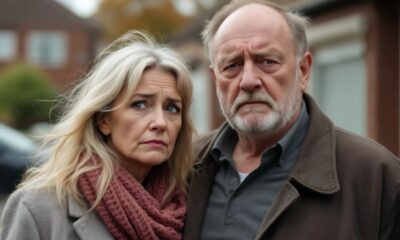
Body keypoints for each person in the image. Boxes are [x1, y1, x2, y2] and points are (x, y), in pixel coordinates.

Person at [183, 0, 400, 239]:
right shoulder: (182, 168)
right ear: (215, 79)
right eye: (232, 65)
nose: (248, 81)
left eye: (268, 62)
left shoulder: (375, 177)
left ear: (303, 71)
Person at [0, 30, 194, 240]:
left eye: (172, 108)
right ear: (103, 120)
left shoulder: (187, 207)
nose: (160, 122)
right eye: (140, 104)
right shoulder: (38, 209)